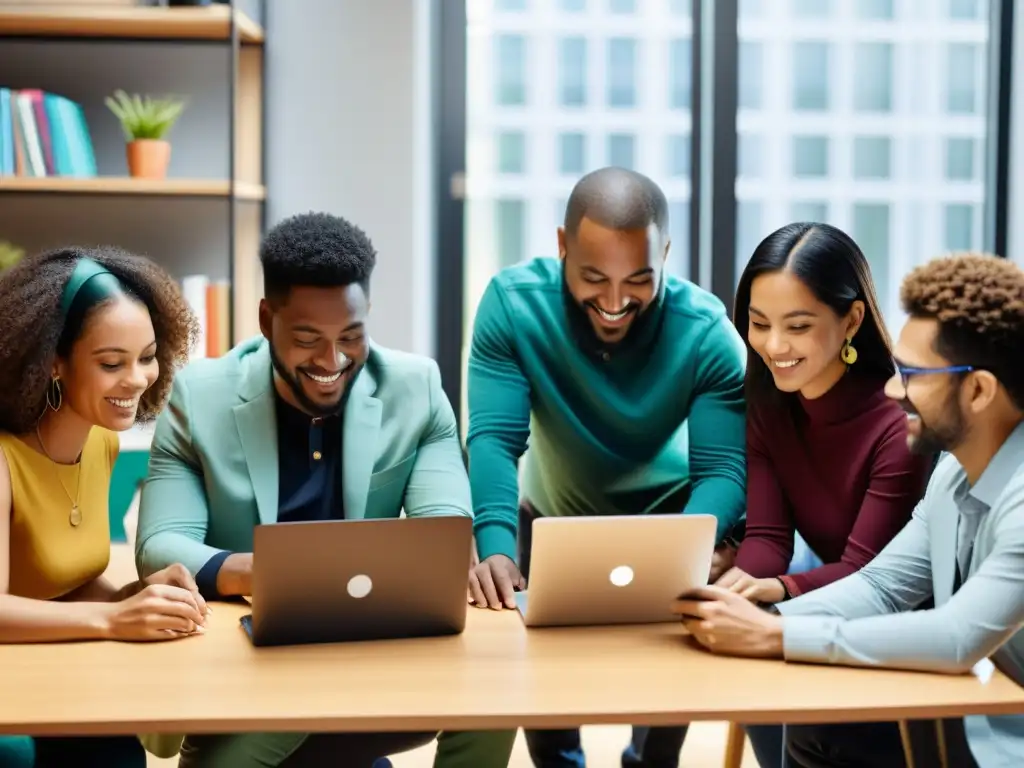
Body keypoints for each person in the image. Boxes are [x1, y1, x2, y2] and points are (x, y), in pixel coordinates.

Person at [135, 212, 516, 768]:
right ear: (267, 320)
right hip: (254, 665)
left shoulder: (416, 388)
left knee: (496, 694)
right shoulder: (201, 396)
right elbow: (160, 545)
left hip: (374, 655)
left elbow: (445, 533)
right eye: (308, 339)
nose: (332, 362)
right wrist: (261, 572)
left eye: (351, 337)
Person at [673, 253, 1024, 768]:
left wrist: (776, 634)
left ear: (978, 391)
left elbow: (957, 638)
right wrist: (747, 620)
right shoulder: (952, 474)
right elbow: (881, 587)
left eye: (912, 374)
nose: (892, 389)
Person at [466, 167, 747, 768]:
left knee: (667, 692)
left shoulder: (706, 330)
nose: (616, 302)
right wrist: (493, 545)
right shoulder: (512, 305)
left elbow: (722, 466)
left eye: (639, 279)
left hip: (667, 517)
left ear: (665, 253)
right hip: (546, 519)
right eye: (594, 277)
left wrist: (691, 545)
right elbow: (493, 438)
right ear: (562, 245)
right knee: (542, 693)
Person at [718, 223, 933, 767]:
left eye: (798, 326)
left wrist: (775, 590)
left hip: (896, 632)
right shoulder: (771, 400)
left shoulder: (896, 423)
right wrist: (739, 586)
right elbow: (768, 537)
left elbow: (870, 572)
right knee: (741, 662)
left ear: (852, 320)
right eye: (759, 323)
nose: (773, 346)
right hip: (824, 608)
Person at [0, 246, 207, 768]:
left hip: (58, 680)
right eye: (112, 362)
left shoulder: (100, 444)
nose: (138, 379)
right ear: (53, 363)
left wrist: (138, 595)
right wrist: (115, 619)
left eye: (148, 356)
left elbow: (62, 581)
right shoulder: (4, 461)